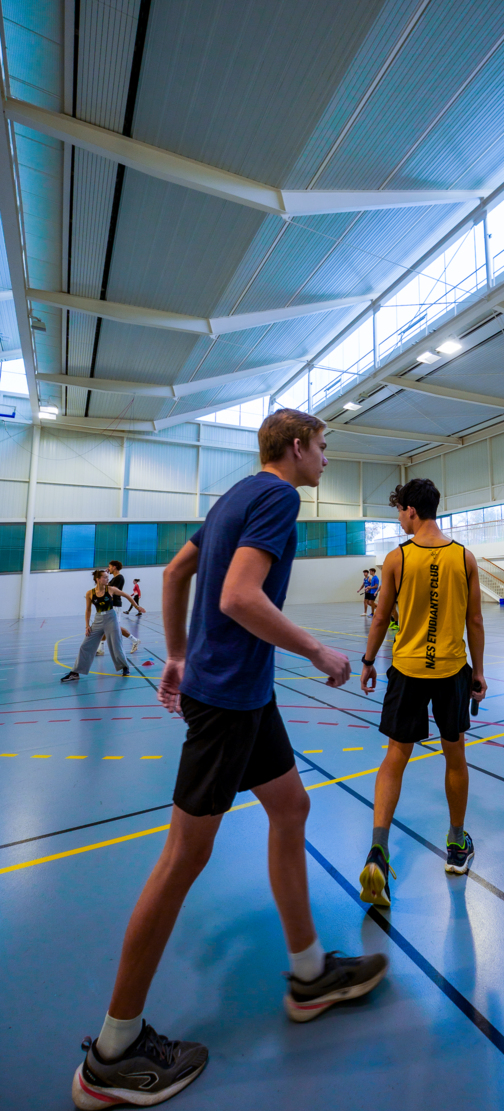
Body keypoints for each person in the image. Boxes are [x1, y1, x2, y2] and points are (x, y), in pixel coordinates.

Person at [72, 409, 388, 1110]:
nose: (326, 459)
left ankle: (309, 974)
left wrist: (178, 654)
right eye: (323, 447)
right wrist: (317, 650)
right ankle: (113, 1055)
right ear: (297, 447)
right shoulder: (277, 497)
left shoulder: (233, 497)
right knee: (182, 858)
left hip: (245, 695)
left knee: (291, 806)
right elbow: (239, 595)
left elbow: (177, 570)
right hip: (229, 703)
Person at [357, 478, 487, 909]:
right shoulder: (464, 557)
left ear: (412, 510)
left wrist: (368, 660)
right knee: (455, 756)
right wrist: (478, 672)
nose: (399, 519)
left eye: (399, 511)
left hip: (408, 672)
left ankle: (378, 851)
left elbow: (380, 618)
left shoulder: (397, 558)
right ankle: (456, 845)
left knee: (395, 758)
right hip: (451, 670)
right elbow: (475, 621)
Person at [60, 570, 144, 683]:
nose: (107, 579)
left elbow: (127, 596)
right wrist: (87, 626)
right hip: (98, 619)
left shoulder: (111, 589)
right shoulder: (90, 593)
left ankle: (124, 667)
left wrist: (137, 607)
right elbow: (88, 610)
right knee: (85, 645)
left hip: (111, 618)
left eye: (107, 577)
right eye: (105, 577)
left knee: (116, 644)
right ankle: (75, 673)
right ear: (98, 579)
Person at [97, 561, 135, 655]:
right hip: (110, 605)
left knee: (114, 627)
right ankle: (101, 649)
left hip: (115, 605)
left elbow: (110, 590)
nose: (108, 568)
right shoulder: (114, 578)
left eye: (109, 567)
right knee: (105, 626)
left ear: (114, 567)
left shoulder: (119, 578)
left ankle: (134, 640)